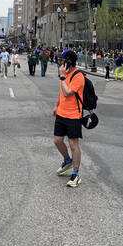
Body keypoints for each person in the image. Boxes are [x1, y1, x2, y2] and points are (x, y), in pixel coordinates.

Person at [53, 50, 85, 188]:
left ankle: (76, 174)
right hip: (61, 113)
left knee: (73, 144)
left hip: (73, 115)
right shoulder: (65, 75)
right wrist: (56, 105)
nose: (60, 63)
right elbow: (61, 93)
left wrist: (62, 77)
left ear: (69, 62)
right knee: (57, 141)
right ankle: (67, 160)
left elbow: (67, 93)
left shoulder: (78, 77)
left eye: (62, 60)